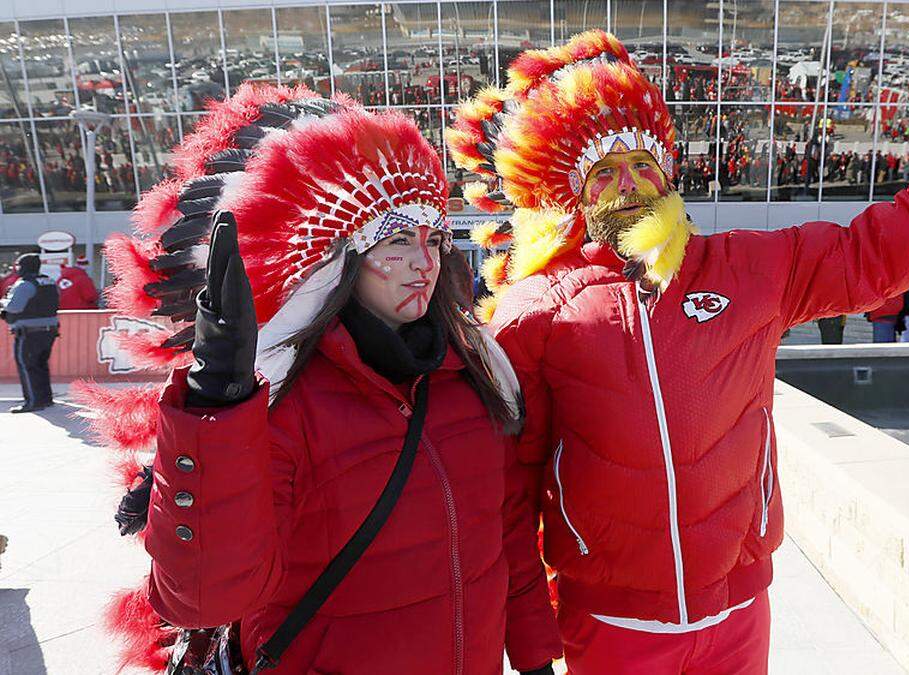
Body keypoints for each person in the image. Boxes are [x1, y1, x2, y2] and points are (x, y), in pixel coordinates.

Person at [448, 31, 909, 673]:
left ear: (667, 172)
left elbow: (885, 247)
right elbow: (509, 499)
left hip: (740, 613)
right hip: (612, 622)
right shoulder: (532, 313)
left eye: (640, 162)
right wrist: (533, 647)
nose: (628, 183)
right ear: (570, 191)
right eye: (603, 173)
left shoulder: (748, 268)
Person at [92, 87, 559, 674]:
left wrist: (538, 656)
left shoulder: (474, 379)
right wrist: (216, 412)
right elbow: (201, 597)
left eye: (434, 240)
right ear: (337, 260)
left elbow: (509, 539)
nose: (425, 263)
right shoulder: (285, 407)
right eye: (395, 241)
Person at [1, 252, 59, 413]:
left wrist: (3, 301)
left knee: (28, 366)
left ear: (24, 267)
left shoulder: (24, 284)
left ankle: (33, 402)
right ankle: (45, 399)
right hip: (49, 331)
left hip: (29, 333)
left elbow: (14, 306)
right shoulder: (49, 281)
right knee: (40, 365)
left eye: (18, 266)